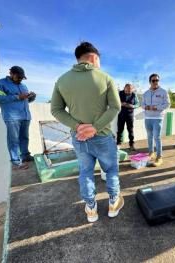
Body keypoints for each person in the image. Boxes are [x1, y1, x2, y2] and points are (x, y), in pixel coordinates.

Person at [50, 42, 123, 223]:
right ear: (94, 58)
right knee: (111, 169)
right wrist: (95, 127)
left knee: (86, 172)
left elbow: (56, 110)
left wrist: (77, 126)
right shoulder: (105, 78)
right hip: (103, 136)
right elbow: (115, 107)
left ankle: (91, 208)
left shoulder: (62, 80)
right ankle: (113, 204)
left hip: (79, 137)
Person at [0, 66, 36, 170]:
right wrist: (17, 96)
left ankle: (25, 156)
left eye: (22, 77)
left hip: (25, 116)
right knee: (13, 140)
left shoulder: (23, 86)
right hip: (12, 117)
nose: (20, 79)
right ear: (11, 74)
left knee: (25, 138)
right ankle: (16, 161)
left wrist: (31, 97)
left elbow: (25, 101)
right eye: (18, 77)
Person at [141, 73, 170, 167]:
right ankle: (151, 153)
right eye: (153, 80)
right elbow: (142, 104)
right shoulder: (145, 93)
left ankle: (159, 157)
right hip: (147, 118)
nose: (155, 82)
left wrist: (156, 107)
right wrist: (147, 107)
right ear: (150, 82)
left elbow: (167, 104)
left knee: (157, 137)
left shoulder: (163, 92)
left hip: (157, 118)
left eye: (157, 80)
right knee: (149, 136)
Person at [117, 83, 140, 151]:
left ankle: (131, 144)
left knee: (130, 130)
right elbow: (115, 101)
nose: (128, 92)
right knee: (120, 129)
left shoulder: (134, 95)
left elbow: (138, 104)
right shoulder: (119, 93)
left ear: (132, 90)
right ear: (124, 88)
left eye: (129, 91)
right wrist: (121, 103)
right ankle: (118, 144)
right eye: (126, 90)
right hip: (121, 114)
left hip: (130, 114)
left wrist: (132, 106)